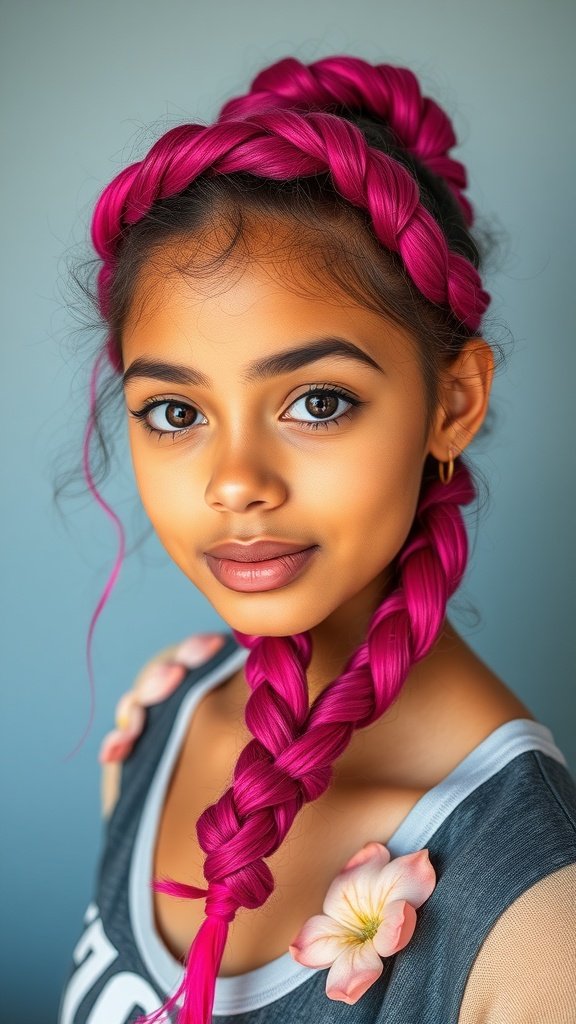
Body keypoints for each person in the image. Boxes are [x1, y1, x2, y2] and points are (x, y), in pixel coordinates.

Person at [57, 55, 576, 1024]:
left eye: (317, 401)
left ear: (453, 403)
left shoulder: (542, 917)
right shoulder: (161, 718)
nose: (235, 482)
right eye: (174, 411)